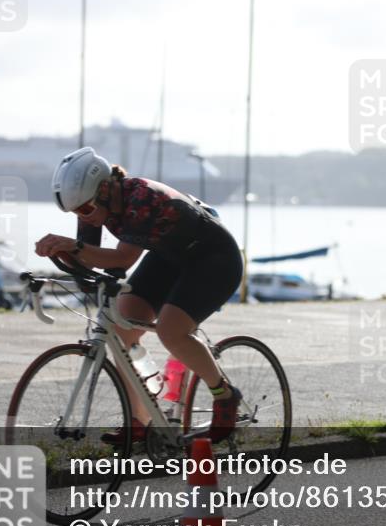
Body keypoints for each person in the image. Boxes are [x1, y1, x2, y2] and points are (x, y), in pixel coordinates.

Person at [34, 147, 244, 443]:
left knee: (171, 331)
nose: (85, 218)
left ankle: (225, 395)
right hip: (169, 256)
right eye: (77, 212)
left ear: (105, 189)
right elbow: (88, 258)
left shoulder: (140, 198)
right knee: (121, 329)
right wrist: (57, 252)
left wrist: (73, 247)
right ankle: (142, 420)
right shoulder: (93, 205)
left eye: (84, 210)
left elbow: (122, 259)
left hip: (214, 259)